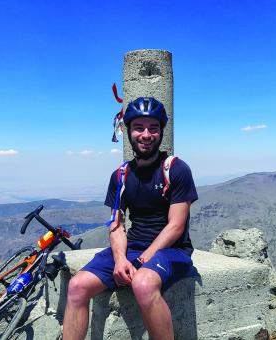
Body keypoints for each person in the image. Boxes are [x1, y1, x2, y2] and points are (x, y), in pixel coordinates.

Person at [63, 97, 198, 340]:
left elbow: (176, 226)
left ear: (161, 132)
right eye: (139, 128)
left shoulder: (176, 169)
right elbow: (116, 226)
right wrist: (120, 260)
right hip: (133, 247)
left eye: (153, 128)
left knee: (143, 284)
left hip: (172, 250)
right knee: (77, 287)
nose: (146, 134)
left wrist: (141, 261)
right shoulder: (120, 176)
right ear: (127, 130)